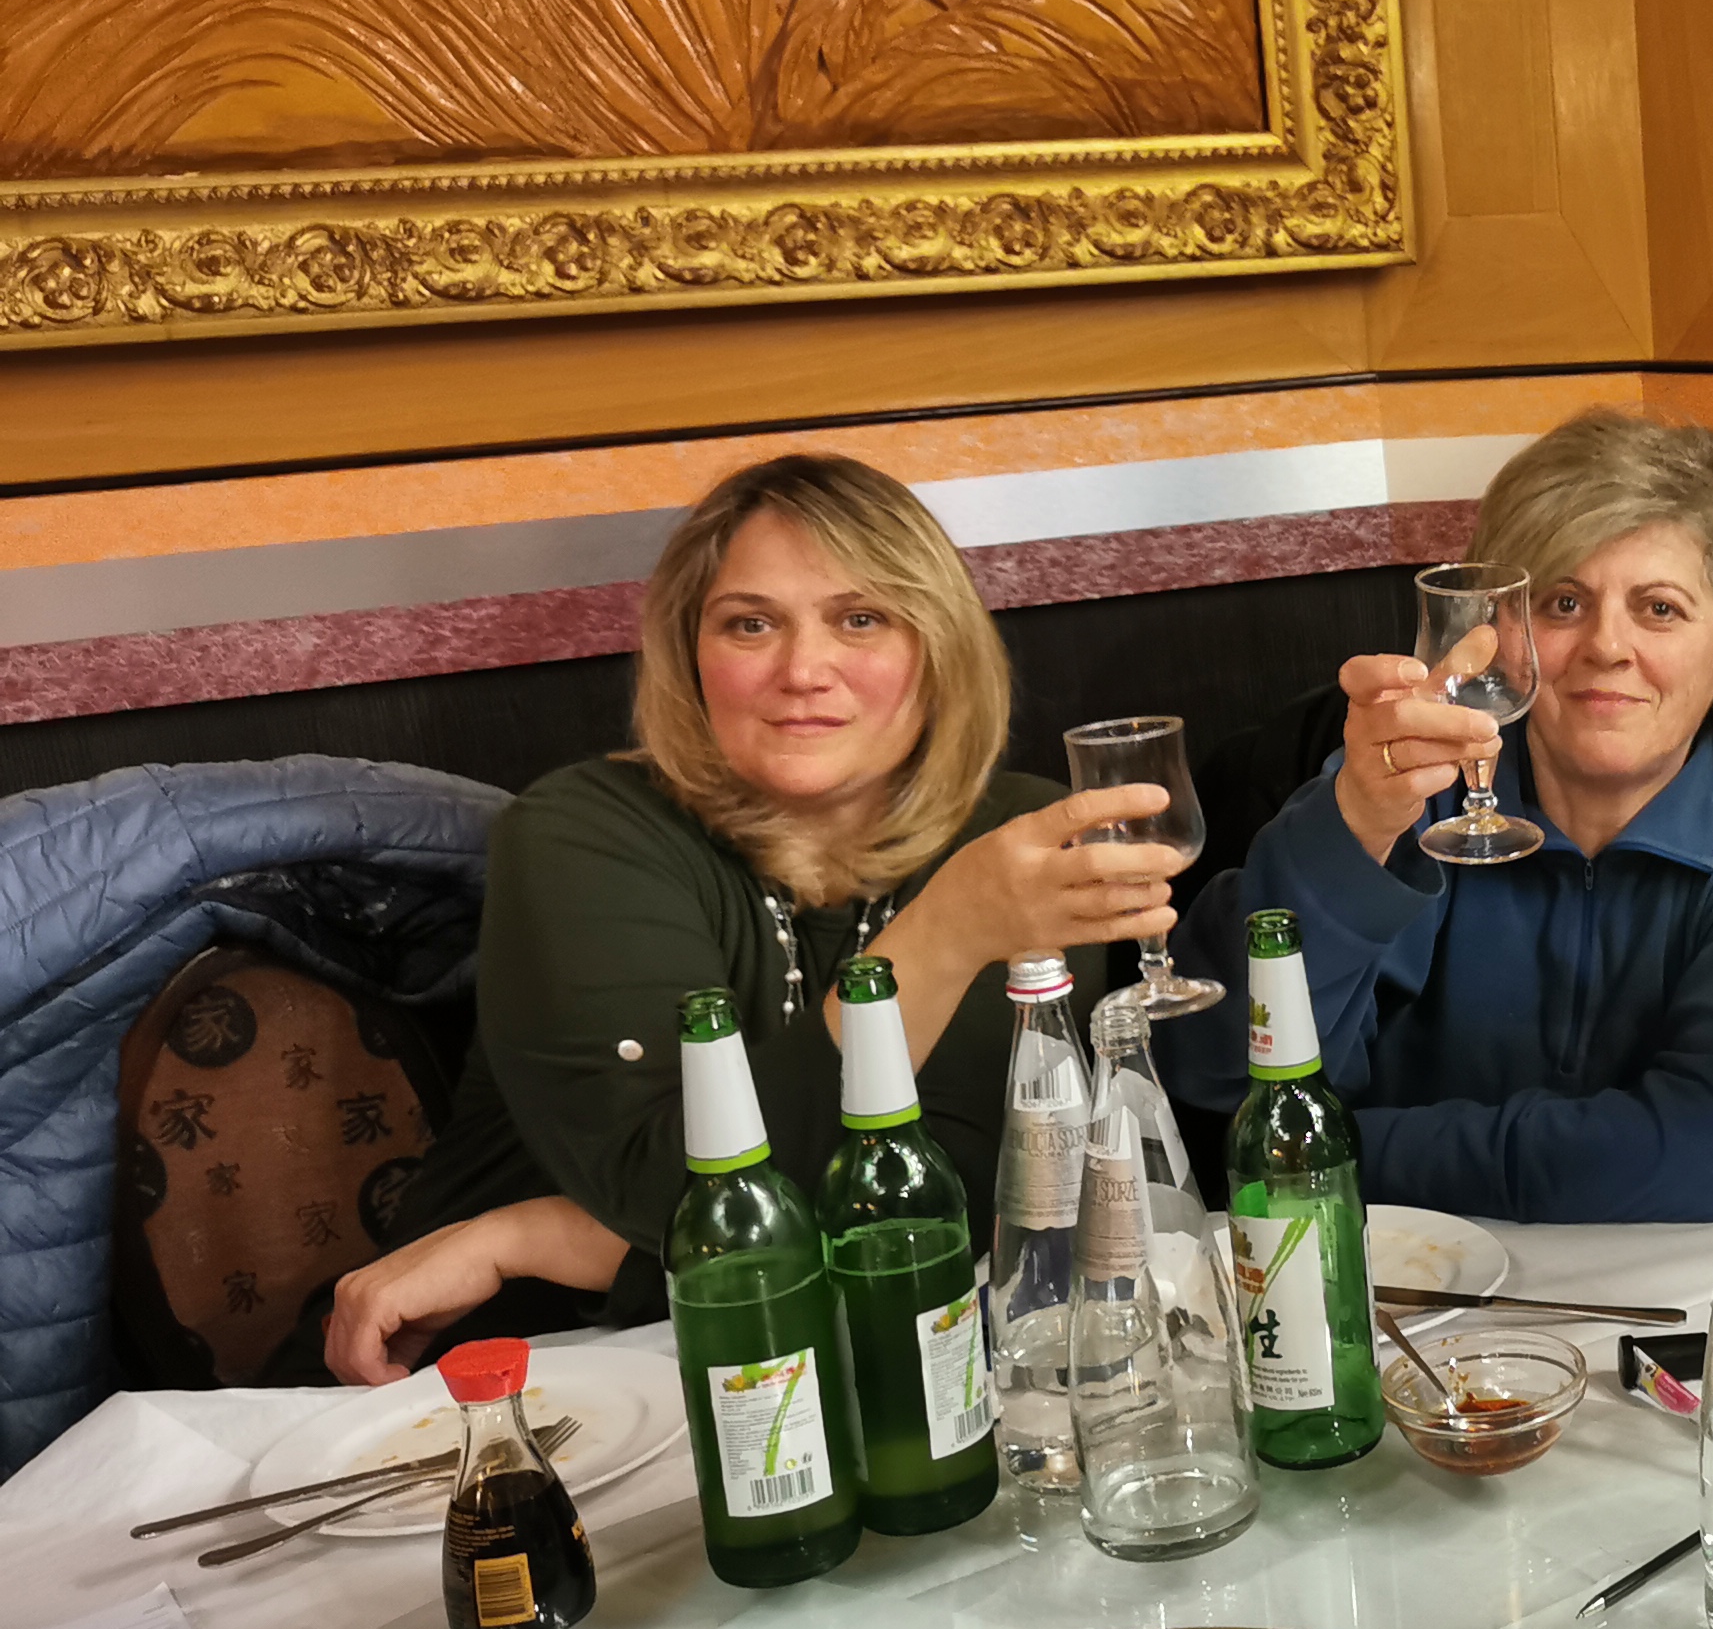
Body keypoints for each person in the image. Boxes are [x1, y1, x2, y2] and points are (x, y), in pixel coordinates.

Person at [326, 454, 1181, 1382]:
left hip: (867, 1370)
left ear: (940, 652)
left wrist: (531, 1236)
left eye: (861, 619)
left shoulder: (1019, 838)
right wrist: (950, 931)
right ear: (690, 655)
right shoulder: (580, 832)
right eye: (751, 624)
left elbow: (962, 1206)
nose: (803, 670)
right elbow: (668, 1189)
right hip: (521, 1379)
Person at [1157, 406, 1713, 1222]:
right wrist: (1354, 826)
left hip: (1663, 1286)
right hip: (1395, 1277)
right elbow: (1219, 1074)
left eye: (1659, 609)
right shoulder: (1413, 788)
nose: (1606, 646)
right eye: (1563, 604)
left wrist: (1341, 1152)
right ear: (1500, 638)